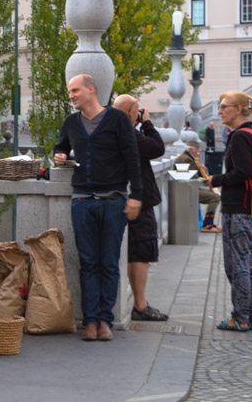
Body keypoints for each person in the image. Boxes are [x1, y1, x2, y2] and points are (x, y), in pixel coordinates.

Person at [53, 74, 142, 342]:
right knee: (88, 262)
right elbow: (60, 148)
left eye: (75, 90)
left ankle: (106, 320)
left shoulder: (116, 120)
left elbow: (132, 158)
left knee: (109, 262)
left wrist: (135, 196)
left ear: (91, 89)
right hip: (82, 200)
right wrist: (59, 155)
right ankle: (89, 322)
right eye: (70, 91)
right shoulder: (71, 123)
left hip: (114, 200)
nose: (71, 95)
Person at [204, 90, 252, 332]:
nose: (220, 111)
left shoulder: (240, 137)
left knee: (237, 264)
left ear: (238, 109)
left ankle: (240, 318)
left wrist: (216, 180)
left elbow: (243, 173)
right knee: (250, 263)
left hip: (239, 210)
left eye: (224, 107)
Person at [113, 94, 168, 322]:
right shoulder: (129, 133)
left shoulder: (111, 129)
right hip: (138, 199)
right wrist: (147, 123)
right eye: (137, 110)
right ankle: (140, 304)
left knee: (132, 251)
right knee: (141, 251)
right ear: (130, 113)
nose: (139, 113)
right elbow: (157, 148)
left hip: (122, 196)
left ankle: (135, 302)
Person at [175, 139, 222, 233]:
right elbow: (191, 177)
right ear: (192, 150)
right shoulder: (185, 159)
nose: (199, 153)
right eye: (198, 151)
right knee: (215, 197)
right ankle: (207, 224)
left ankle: (208, 223)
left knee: (215, 195)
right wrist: (204, 176)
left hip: (189, 188)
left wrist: (203, 168)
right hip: (187, 189)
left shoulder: (189, 159)